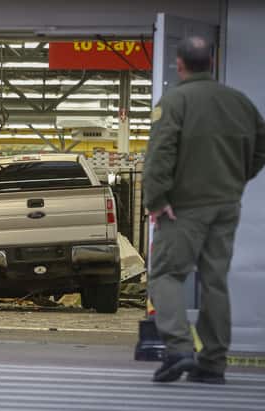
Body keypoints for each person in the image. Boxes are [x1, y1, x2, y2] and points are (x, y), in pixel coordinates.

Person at [143, 37, 265, 384]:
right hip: (226, 205)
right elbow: (261, 148)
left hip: (183, 208)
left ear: (179, 64)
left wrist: (157, 200)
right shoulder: (239, 102)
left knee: (166, 275)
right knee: (215, 282)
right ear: (211, 62)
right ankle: (213, 363)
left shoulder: (176, 101)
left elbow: (160, 155)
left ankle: (180, 348)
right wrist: (235, 180)